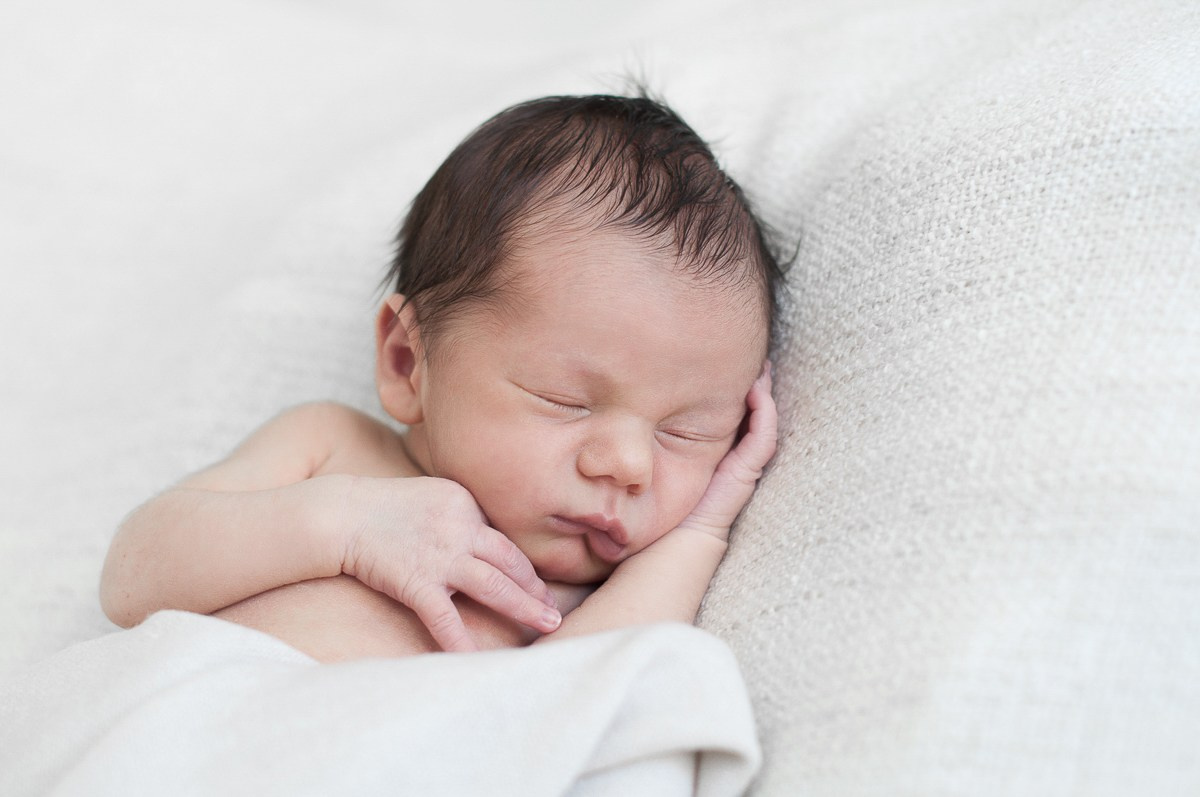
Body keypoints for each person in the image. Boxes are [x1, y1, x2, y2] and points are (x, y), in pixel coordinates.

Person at [99, 93, 782, 662]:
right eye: (565, 400)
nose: (630, 465)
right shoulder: (333, 448)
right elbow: (132, 575)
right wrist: (347, 529)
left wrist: (704, 527)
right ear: (407, 359)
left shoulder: (582, 601)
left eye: (684, 432)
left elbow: (593, 695)